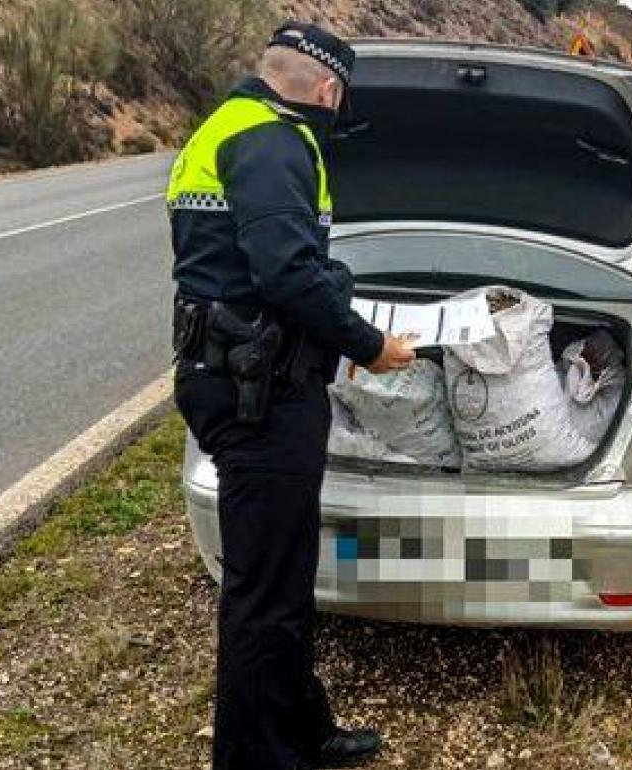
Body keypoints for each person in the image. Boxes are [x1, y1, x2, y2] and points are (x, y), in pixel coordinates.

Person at [166, 20, 414, 770]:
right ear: (330, 90)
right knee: (263, 596)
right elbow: (285, 272)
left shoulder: (229, 125)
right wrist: (370, 346)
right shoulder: (274, 142)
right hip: (258, 395)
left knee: (281, 573)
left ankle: (303, 727)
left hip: (249, 378)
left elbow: (256, 269)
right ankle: (259, 757)